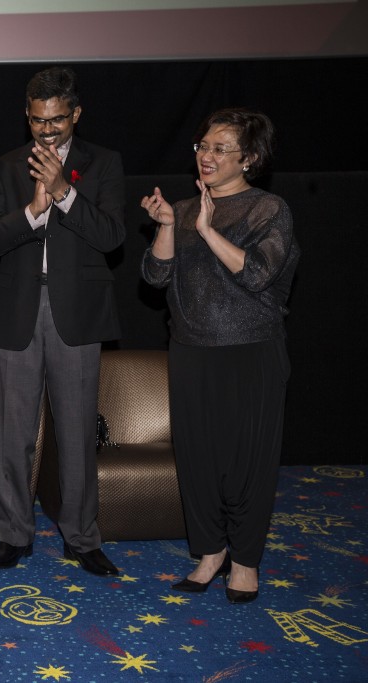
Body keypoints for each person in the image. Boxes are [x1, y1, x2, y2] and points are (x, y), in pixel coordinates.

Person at [141, 108, 299, 604]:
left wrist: (209, 231)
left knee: (247, 462)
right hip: (190, 350)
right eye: (202, 147)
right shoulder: (185, 207)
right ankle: (209, 553)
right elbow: (154, 277)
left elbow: (256, 275)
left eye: (219, 149)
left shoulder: (268, 210)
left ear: (248, 158)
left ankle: (245, 560)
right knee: (199, 461)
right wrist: (169, 225)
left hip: (250, 352)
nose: (206, 156)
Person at [0, 66, 124, 577]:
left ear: (75, 114)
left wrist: (64, 192)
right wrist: (33, 211)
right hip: (19, 311)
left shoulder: (103, 163)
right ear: (27, 116)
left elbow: (111, 237)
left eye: (57, 120)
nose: (47, 130)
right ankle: (13, 535)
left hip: (76, 315)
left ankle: (82, 538)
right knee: (12, 434)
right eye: (38, 120)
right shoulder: (5, 167)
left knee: (78, 433)